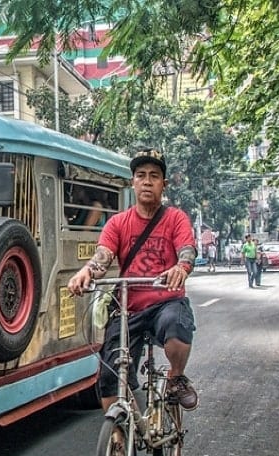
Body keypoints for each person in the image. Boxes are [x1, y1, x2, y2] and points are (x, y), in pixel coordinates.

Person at [67, 148, 199, 412]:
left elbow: (187, 250)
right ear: (133, 182)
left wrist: (181, 268)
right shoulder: (118, 223)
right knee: (108, 379)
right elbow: (102, 258)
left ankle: (175, 377)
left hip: (166, 302)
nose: (147, 181)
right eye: (141, 175)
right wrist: (87, 272)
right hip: (129, 307)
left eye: (154, 176)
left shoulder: (175, 218)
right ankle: (119, 436)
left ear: (164, 184)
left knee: (177, 325)